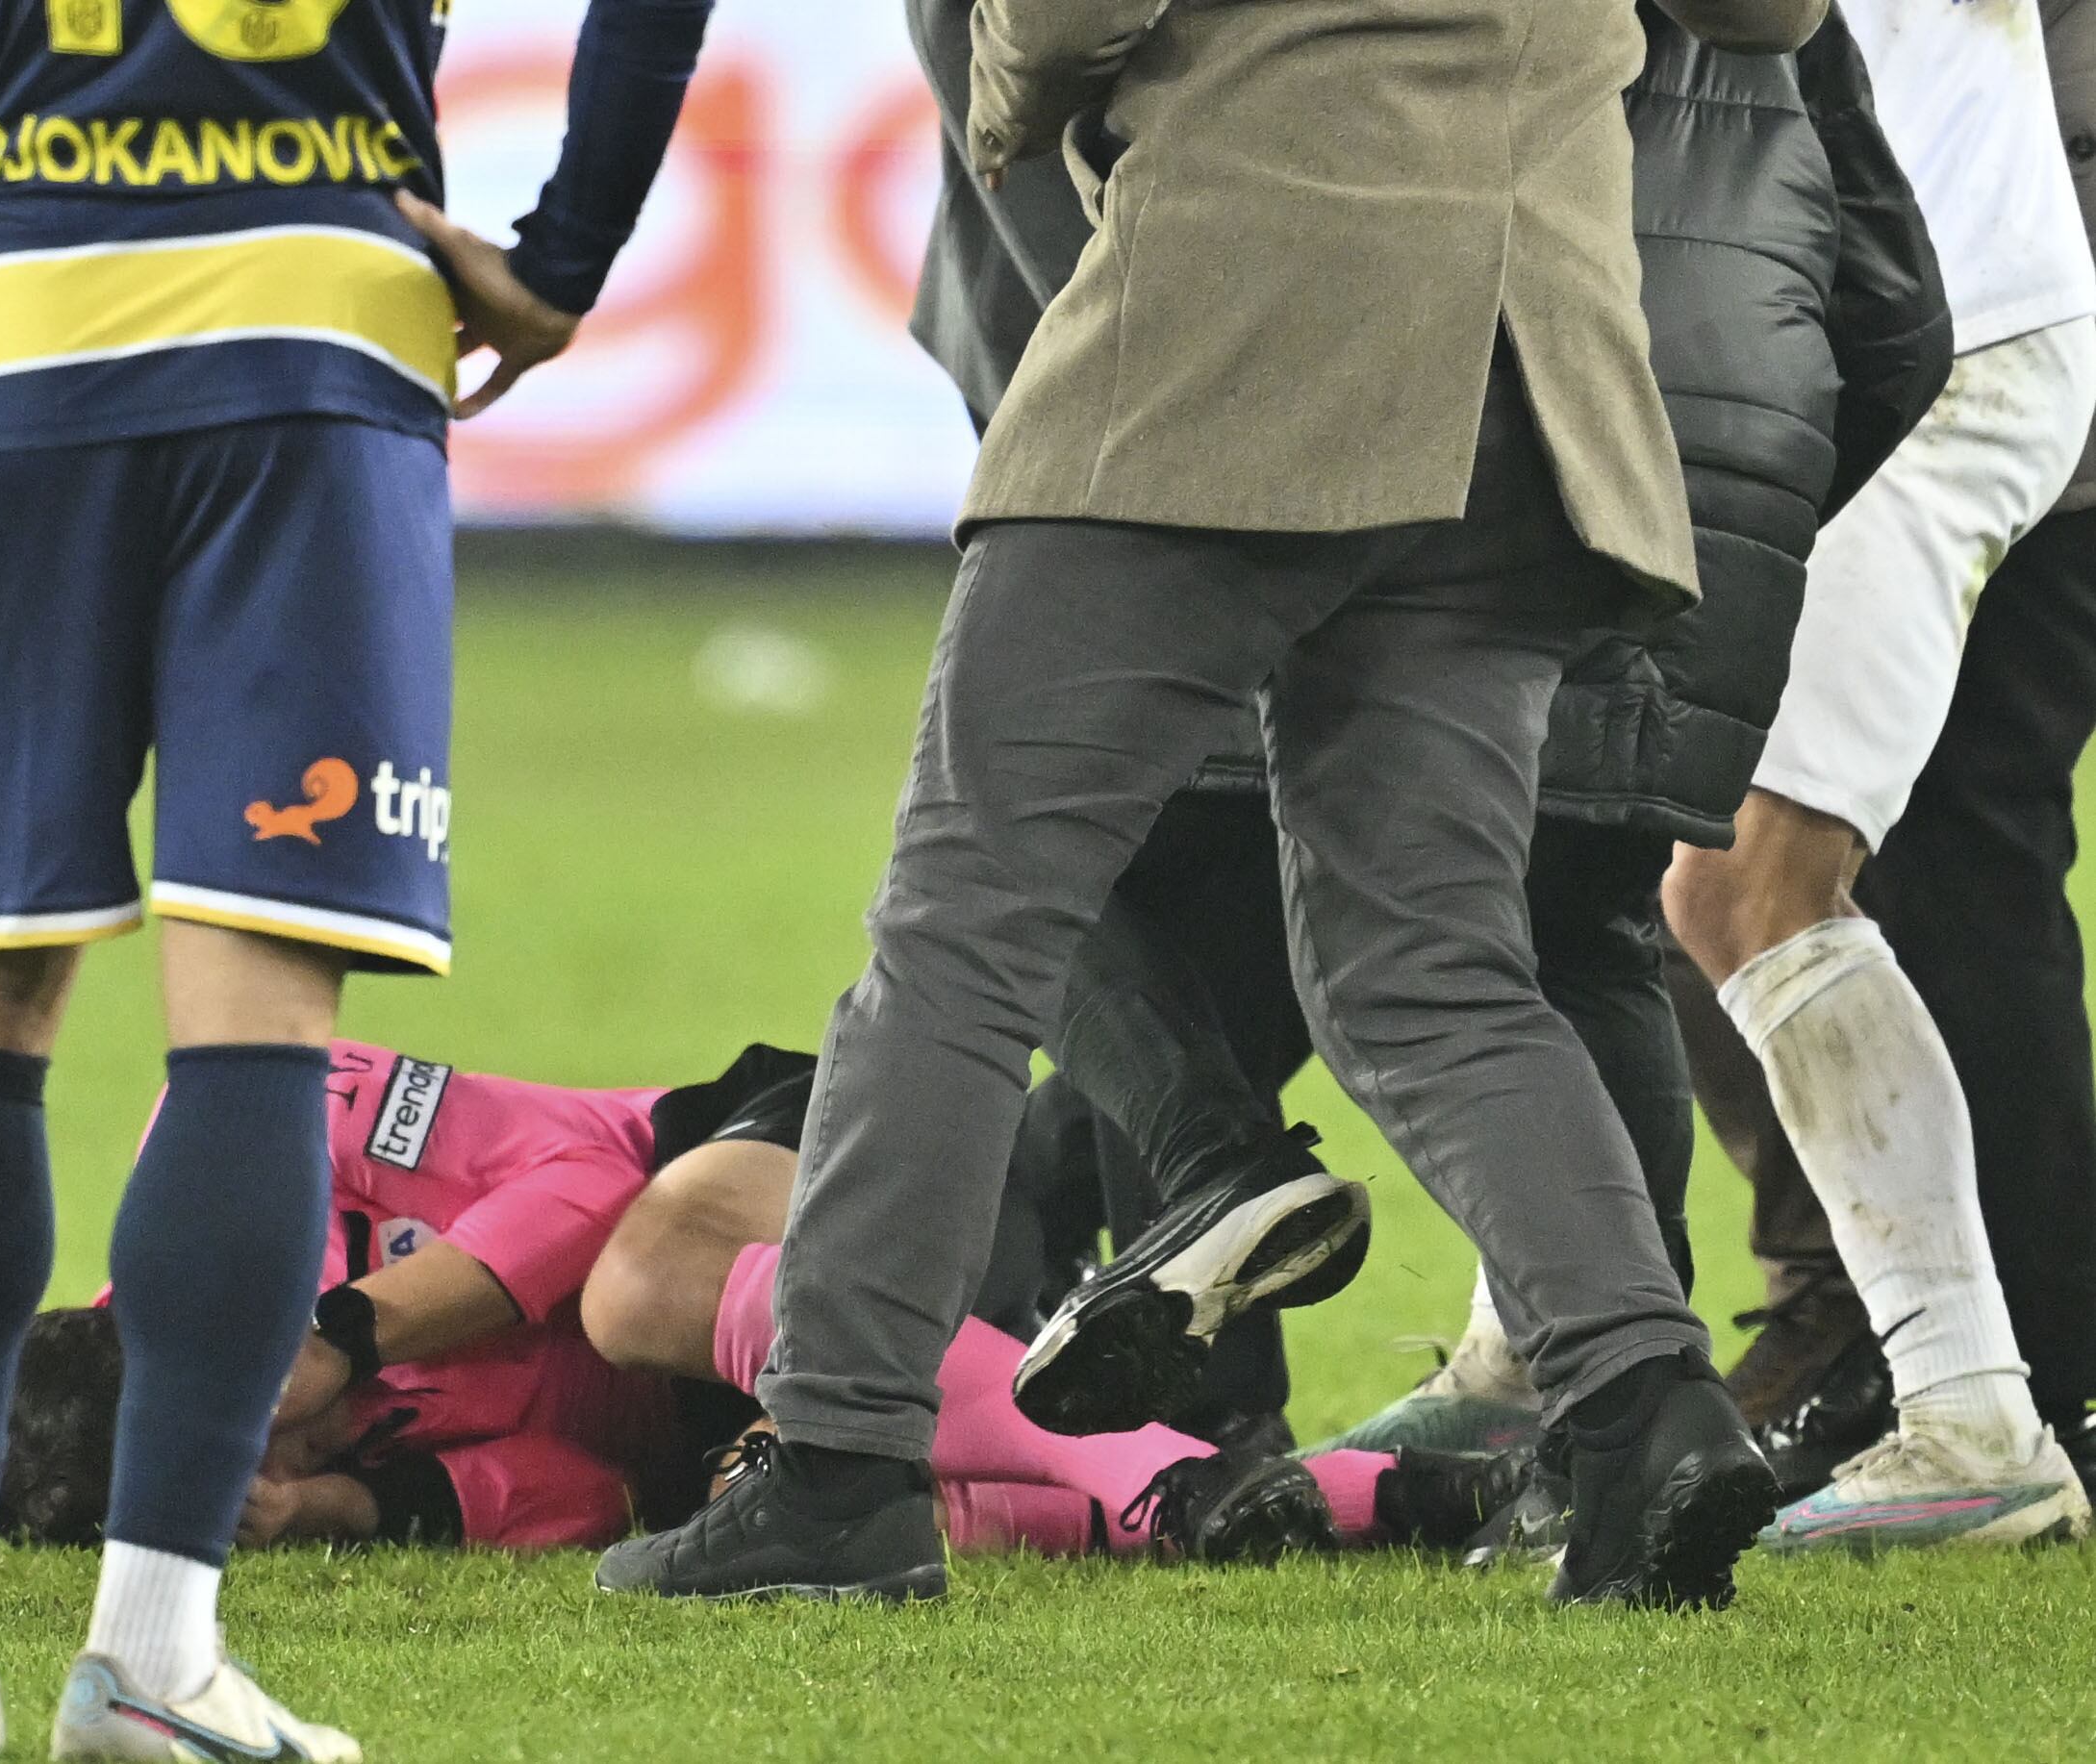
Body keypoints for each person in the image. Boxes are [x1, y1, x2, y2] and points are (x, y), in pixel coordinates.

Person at [599, 0, 1826, 1614]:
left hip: (1242, 321)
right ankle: (1642, 1404)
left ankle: (834, 1464)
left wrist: (1013, 93)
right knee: (1431, 966)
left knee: (968, 925)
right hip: (1541, 371)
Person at [0, 2, 718, 1757]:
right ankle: (149, 1658)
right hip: (311, 340)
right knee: (255, 1012)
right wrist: (562, 258)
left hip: (26, 330)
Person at [1317, 0, 1951, 1477]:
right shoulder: (1789, 37)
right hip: (1725, 471)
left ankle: (1616, 1385)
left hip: (1508, 464)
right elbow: (1896, 311)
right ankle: (1601, 1385)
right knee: (1599, 922)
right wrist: (1756, 505)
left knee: (1421, 945)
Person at [0, 1042, 1513, 1565]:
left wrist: (347, 1337)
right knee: (928, 1504)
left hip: (747, 1160)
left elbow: (581, 1180)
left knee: (634, 1282)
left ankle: (1157, 1461)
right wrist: (353, 1514)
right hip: (741, 1390)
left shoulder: (230, 1137)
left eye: (237, 1455)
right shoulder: (291, 1482)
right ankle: (1444, 1496)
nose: (266, 1477)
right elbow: (589, 1493)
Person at [1658, 0, 2096, 1552]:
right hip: (1859, 311)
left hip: (1945, 329)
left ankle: (1977, 1410)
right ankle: (1571, 1354)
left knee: (1751, 877)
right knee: (1655, 846)